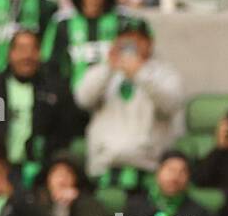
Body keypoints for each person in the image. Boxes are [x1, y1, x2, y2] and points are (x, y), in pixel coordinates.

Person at [74, 16, 184, 191]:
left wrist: (140, 73)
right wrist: (108, 67)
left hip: (147, 168)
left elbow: (170, 104)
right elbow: (83, 99)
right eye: (125, 40)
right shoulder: (103, 72)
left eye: (137, 39)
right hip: (105, 166)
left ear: (149, 43)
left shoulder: (165, 74)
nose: (131, 44)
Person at [0, 27, 80, 190]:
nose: (27, 56)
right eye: (21, 49)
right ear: (10, 53)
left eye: (33, 49)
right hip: (0, 168)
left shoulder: (54, 89)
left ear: (40, 53)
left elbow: (65, 132)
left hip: (41, 170)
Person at [41, 0, 125, 97]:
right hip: (72, 101)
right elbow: (48, 63)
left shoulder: (124, 22)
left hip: (112, 101)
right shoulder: (62, 24)